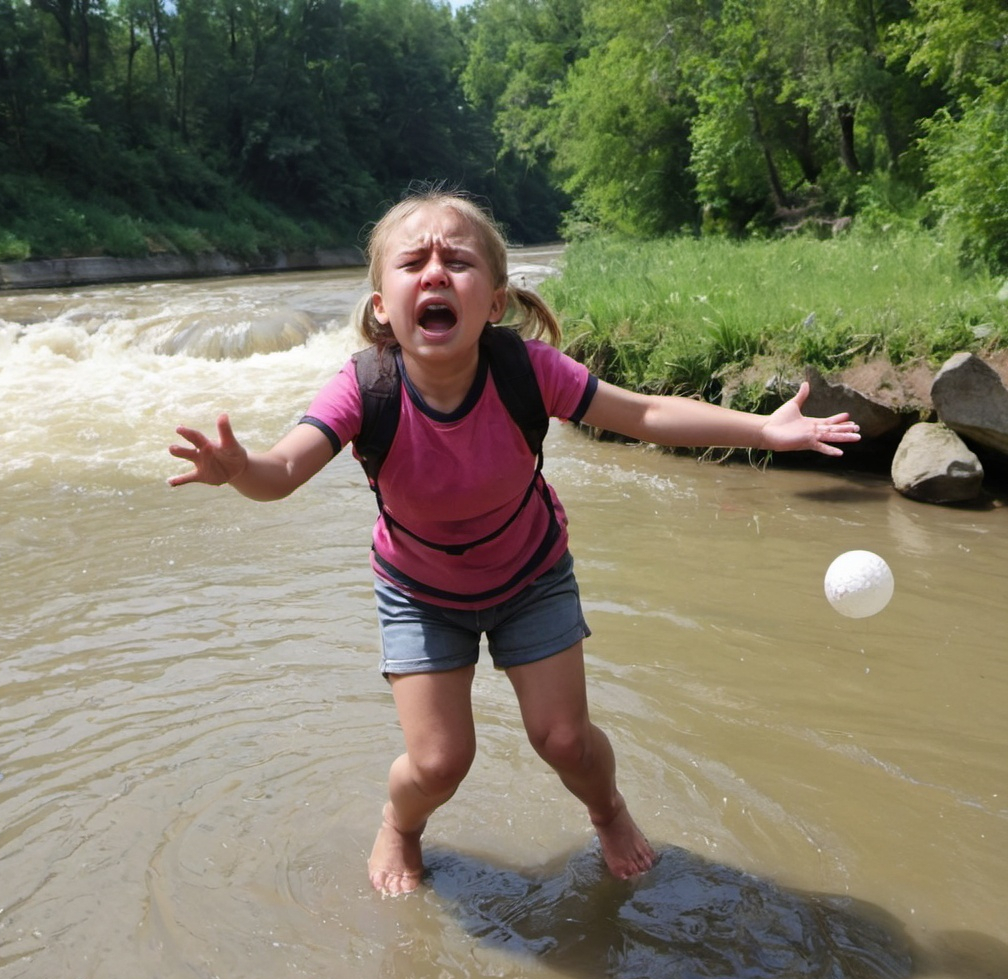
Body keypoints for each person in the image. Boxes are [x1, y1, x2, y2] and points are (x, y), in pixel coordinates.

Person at [168, 186, 860, 896]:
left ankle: (608, 809)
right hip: (419, 591)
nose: (435, 272)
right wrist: (239, 470)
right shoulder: (365, 388)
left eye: (457, 262)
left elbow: (646, 413)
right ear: (382, 306)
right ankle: (400, 826)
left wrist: (764, 430)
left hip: (531, 573)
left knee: (564, 740)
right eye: (413, 263)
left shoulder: (526, 371)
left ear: (495, 303)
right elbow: (282, 471)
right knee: (439, 763)